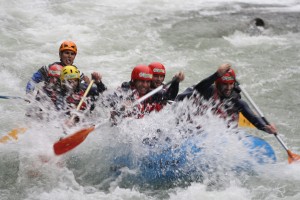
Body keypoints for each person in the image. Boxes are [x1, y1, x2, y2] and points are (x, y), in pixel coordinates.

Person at [176, 63, 277, 134]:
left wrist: (265, 127)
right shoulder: (208, 90)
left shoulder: (234, 99)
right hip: (192, 124)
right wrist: (217, 75)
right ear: (217, 84)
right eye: (225, 84)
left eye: (230, 84)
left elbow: (251, 115)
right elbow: (198, 89)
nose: (228, 88)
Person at [111, 64, 184, 120]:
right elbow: (108, 101)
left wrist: (176, 82)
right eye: (141, 81)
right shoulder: (125, 91)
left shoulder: (152, 93)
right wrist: (121, 107)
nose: (145, 85)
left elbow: (169, 96)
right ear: (134, 81)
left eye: (147, 82)